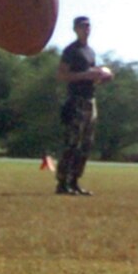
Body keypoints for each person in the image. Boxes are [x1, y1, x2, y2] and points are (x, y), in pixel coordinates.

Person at [56, 15, 109, 195]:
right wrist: (85, 75)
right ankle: (62, 182)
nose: (86, 29)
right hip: (76, 99)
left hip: (90, 99)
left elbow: (91, 75)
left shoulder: (90, 52)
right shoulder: (71, 51)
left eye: (88, 26)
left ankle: (75, 180)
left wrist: (100, 76)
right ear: (75, 29)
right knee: (72, 141)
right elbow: (63, 75)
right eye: (82, 26)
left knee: (86, 143)